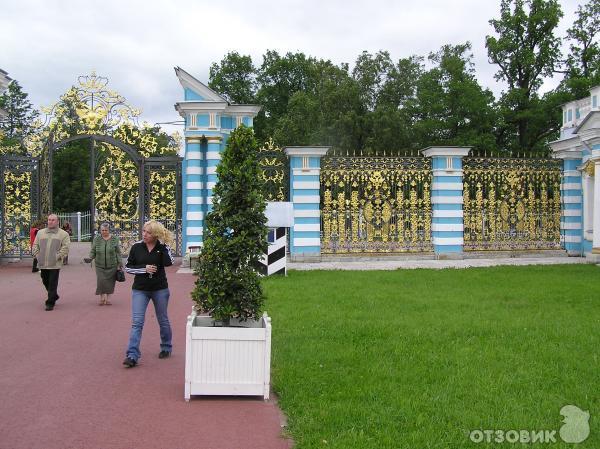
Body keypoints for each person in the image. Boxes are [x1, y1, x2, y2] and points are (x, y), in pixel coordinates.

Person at [123, 220, 175, 368]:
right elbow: (128, 267)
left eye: (149, 232)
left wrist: (165, 246)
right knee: (137, 322)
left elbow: (169, 262)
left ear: (156, 235)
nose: (144, 234)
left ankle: (166, 346)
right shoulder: (136, 247)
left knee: (162, 319)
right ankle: (132, 354)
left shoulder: (162, 248)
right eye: (144, 231)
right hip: (140, 289)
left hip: (160, 289)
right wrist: (143, 269)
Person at [32, 214, 70, 311]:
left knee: (53, 283)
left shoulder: (63, 234)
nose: (50, 221)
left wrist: (57, 256)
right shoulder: (40, 233)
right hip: (42, 263)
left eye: (53, 220)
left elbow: (65, 248)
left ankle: (50, 303)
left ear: (57, 222)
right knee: (45, 281)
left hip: (54, 264)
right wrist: (37, 255)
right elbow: (35, 245)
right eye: (49, 220)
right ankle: (54, 295)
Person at [89, 223, 123, 306]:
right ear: (100, 230)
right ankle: (102, 298)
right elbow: (93, 250)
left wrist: (120, 263)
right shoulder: (96, 239)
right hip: (99, 264)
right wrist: (90, 257)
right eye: (102, 230)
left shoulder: (115, 239)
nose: (104, 232)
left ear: (109, 230)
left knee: (110, 282)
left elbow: (118, 252)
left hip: (112, 265)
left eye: (106, 230)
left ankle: (108, 299)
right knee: (101, 281)